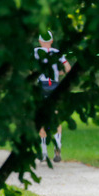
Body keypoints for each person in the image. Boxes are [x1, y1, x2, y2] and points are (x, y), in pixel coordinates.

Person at [34, 31, 72, 162]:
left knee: (41, 117)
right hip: (55, 86)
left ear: (39, 41)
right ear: (51, 41)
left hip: (42, 87)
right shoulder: (58, 52)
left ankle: (43, 152)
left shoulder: (36, 52)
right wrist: (59, 72)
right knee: (56, 117)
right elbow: (68, 69)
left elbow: (31, 69)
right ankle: (57, 150)